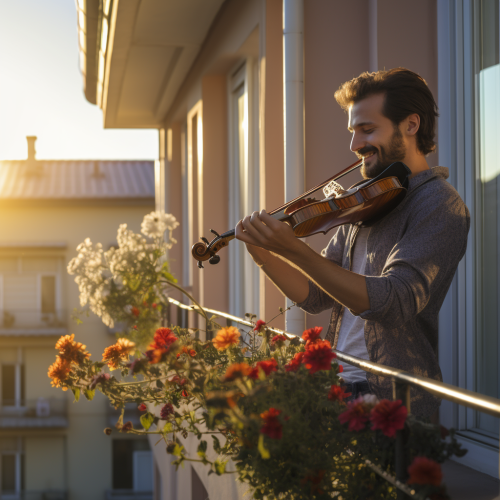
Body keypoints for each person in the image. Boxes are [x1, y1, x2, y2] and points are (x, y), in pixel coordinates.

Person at [234, 68, 470, 417]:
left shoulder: (438, 204)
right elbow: (315, 296)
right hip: (338, 385)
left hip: (390, 402)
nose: (355, 144)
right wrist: (262, 251)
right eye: (353, 130)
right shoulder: (365, 202)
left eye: (367, 129)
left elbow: (392, 302)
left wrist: (294, 248)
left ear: (411, 125)